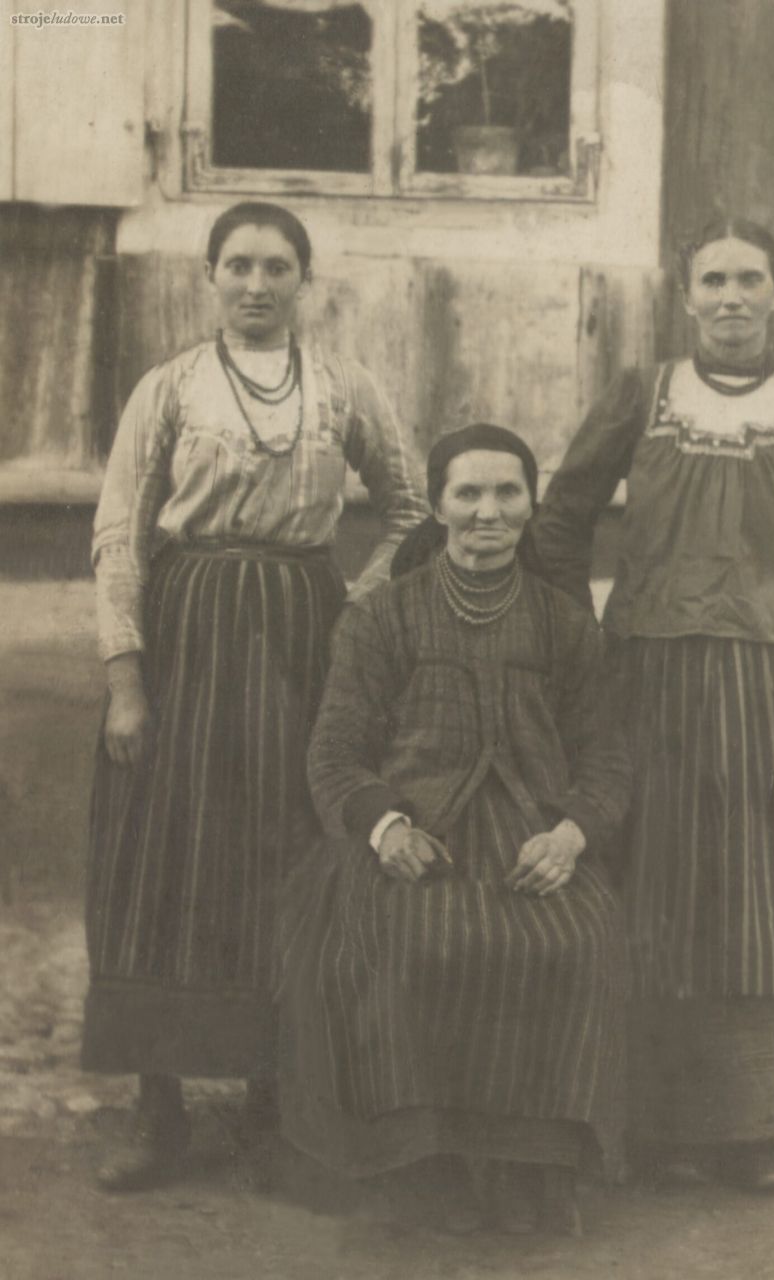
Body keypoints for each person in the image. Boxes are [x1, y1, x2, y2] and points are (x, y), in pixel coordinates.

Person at [82, 201, 427, 1191]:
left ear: (304, 280)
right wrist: (124, 677)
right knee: (165, 855)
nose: (257, 283)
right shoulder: (170, 388)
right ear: (209, 277)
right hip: (186, 634)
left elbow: (408, 509)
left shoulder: (342, 386)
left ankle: (281, 1102)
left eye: (278, 265)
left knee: (285, 850)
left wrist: (353, 603)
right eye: (237, 264)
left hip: (298, 640)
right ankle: (161, 1108)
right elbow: (117, 533)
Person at [534, 216, 774, 1191]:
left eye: (750, 279)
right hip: (650, 686)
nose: (731, 297)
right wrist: (576, 646)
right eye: (713, 280)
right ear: (684, 296)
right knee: (663, 891)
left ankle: (758, 1125)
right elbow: (559, 519)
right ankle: (651, 1119)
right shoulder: (641, 396)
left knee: (770, 899)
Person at [276, 424, 631, 1234]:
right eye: (466, 493)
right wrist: (384, 827)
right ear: (436, 506)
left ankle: (530, 1175)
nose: (486, 512)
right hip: (414, 839)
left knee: (578, 941)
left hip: (530, 841)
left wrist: (570, 836)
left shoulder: (564, 624)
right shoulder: (381, 619)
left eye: (506, 493)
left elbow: (608, 760)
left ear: (531, 506)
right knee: (404, 939)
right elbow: (332, 754)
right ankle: (416, 1173)